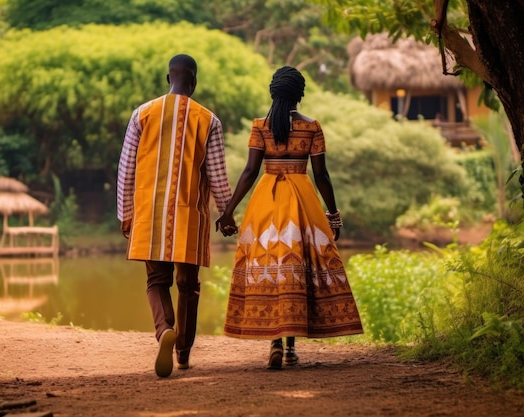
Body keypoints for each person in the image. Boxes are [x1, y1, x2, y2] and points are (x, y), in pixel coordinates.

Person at [216, 66, 363, 369]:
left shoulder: (260, 126)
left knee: (272, 264)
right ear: (300, 95)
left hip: (266, 198)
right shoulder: (312, 127)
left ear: (272, 93)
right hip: (301, 198)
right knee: (296, 263)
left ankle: (275, 343)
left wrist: (229, 210)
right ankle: (291, 346)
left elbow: (249, 172)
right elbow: (321, 175)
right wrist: (333, 214)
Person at [117, 54, 234, 378]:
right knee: (188, 285)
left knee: (156, 282)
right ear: (193, 82)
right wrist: (226, 214)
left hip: (149, 212)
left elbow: (127, 168)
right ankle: (182, 352)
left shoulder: (142, 114)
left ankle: (163, 330)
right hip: (189, 214)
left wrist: (125, 213)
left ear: (169, 78)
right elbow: (217, 176)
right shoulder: (208, 120)